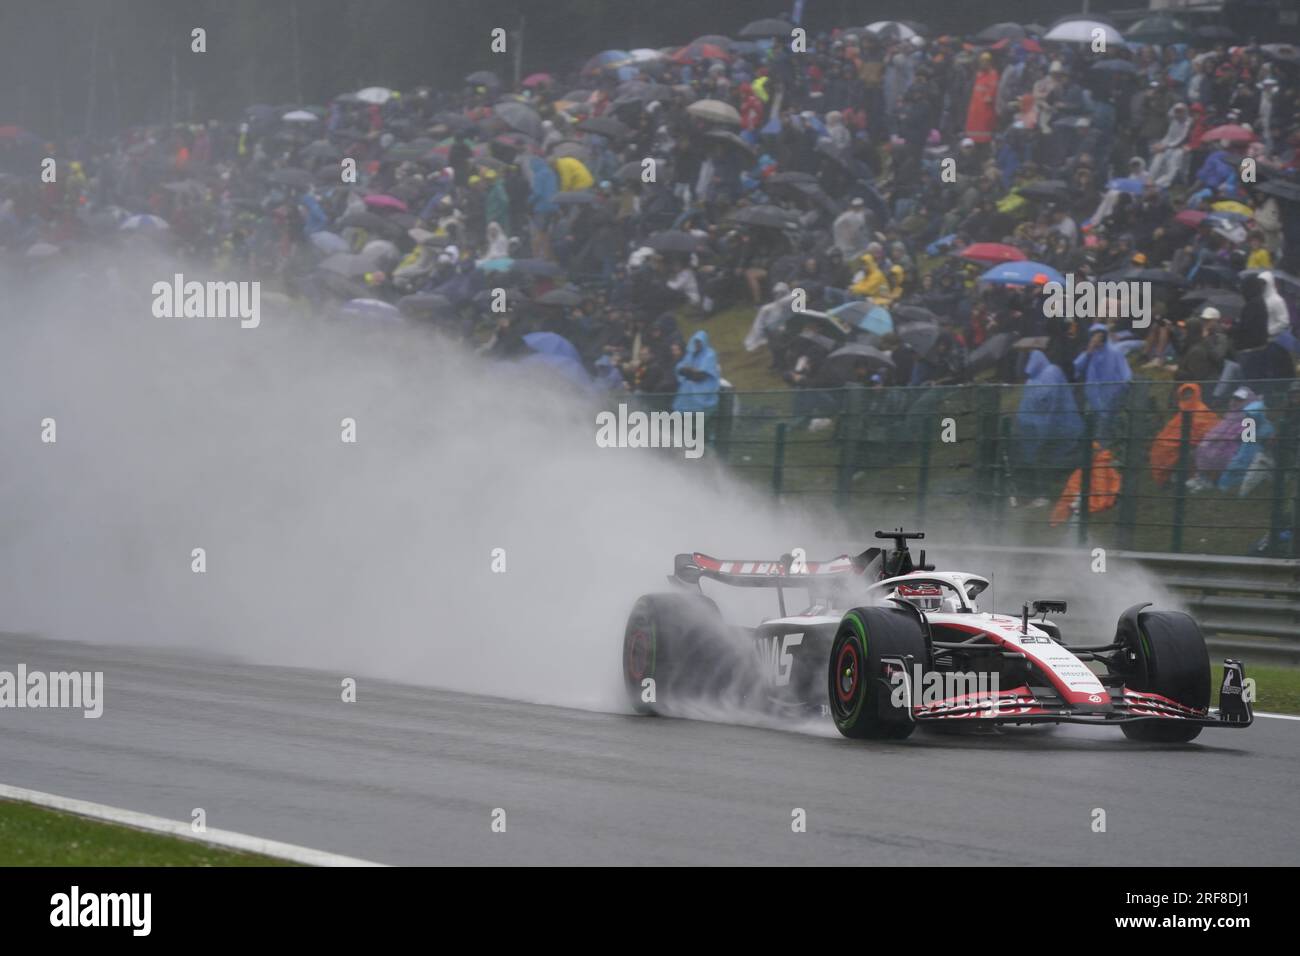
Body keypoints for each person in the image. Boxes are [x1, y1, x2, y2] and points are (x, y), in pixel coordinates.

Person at [1015, 350, 1083, 507]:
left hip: (1060, 427)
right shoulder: (1032, 380)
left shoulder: (1051, 372)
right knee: (1043, 461)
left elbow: (1048, 402)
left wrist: (1043, 428)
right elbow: (1028, 406)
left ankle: (1053, 495)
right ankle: (1045, 494)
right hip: (1039, 429)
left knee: (1057, 461)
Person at [673, 330, 721, 416]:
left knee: (691, 388)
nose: (697, 344)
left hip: (705, 385)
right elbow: (681, 369)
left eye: (700, 342)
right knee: (685, 387)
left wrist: (689, 371)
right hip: (690, 382)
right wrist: (690, 370)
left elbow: (701, 375)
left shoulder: (710, 354)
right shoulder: (691, 353)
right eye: (696, 342)